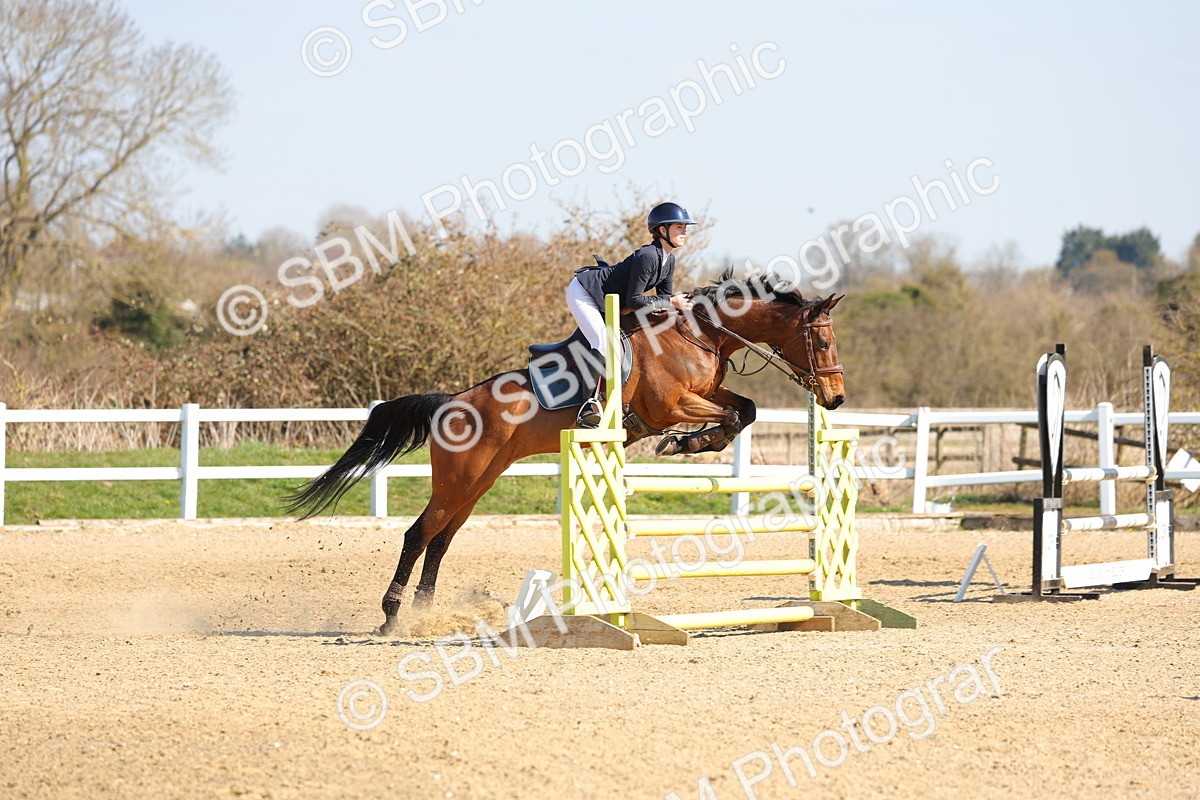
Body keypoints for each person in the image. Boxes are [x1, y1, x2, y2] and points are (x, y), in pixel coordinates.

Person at [567, 202, 698, 426]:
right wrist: (671, 301)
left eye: (685, 227)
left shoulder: (669, 260)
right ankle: (587, 407)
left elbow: (664, 300)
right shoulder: (648, 256)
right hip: (584, 292)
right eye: (679, 227)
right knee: (602, 342)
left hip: (611, 300)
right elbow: (635, 300)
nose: (685, 231)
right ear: (662, 230)